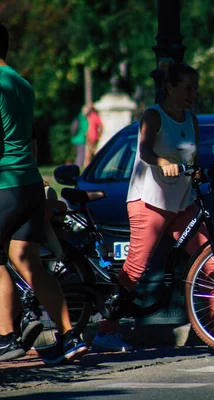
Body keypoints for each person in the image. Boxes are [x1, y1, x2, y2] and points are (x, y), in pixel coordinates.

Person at [0, 23, 88, 364]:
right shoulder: (21, 83)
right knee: (28, 261)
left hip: (5, 182)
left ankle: (7, 337)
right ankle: (69, 336)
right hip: (30, 183)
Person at [112, 63, 214, 330]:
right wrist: (162, 162)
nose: (192, 94)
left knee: (211, 261)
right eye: (186, 88)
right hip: (150, 201)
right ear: (169, 87)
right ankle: (107, 328)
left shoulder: (191, 119)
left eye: (195, 89)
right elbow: (145, 151)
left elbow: (192, 158)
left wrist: (200, 173)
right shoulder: (154, 115)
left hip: (182, 203)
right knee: (135, 270)